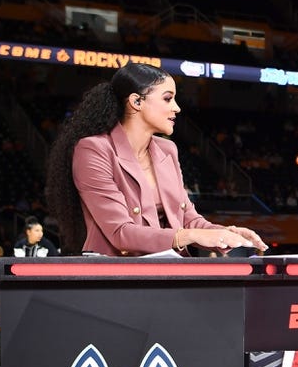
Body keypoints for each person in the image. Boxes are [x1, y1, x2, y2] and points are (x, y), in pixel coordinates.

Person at [44, 64, 268, 256]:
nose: (177, 108)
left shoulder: (168, 149)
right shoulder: (93, 149)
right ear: (136, 102)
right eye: (168, 98)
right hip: (115, 277)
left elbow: (187, 218)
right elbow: (121, 232)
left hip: (168, 272)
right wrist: (189, 235)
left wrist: (224, 233)